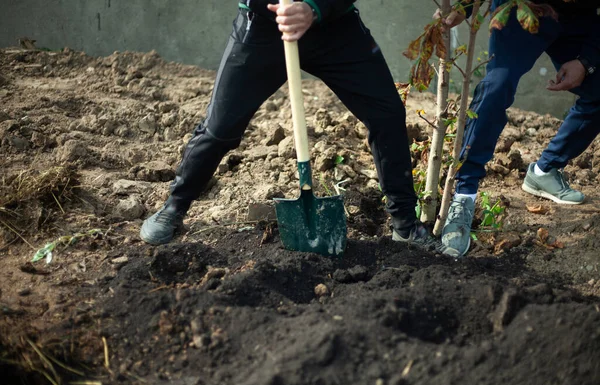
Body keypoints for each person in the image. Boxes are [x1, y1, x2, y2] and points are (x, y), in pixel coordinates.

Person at [140, 0, 442, 251]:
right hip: (263, 26)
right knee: (220, 128)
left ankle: (405, 224)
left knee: (386, 113)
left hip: (334, 26)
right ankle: (175, 207)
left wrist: (315, 7)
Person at [438, 0, 600, 257]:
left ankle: (544, 171)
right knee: (498, 84)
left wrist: (587, 60)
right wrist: (465, 5)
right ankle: (464, 195)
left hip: (580, 16)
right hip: (522, 6)